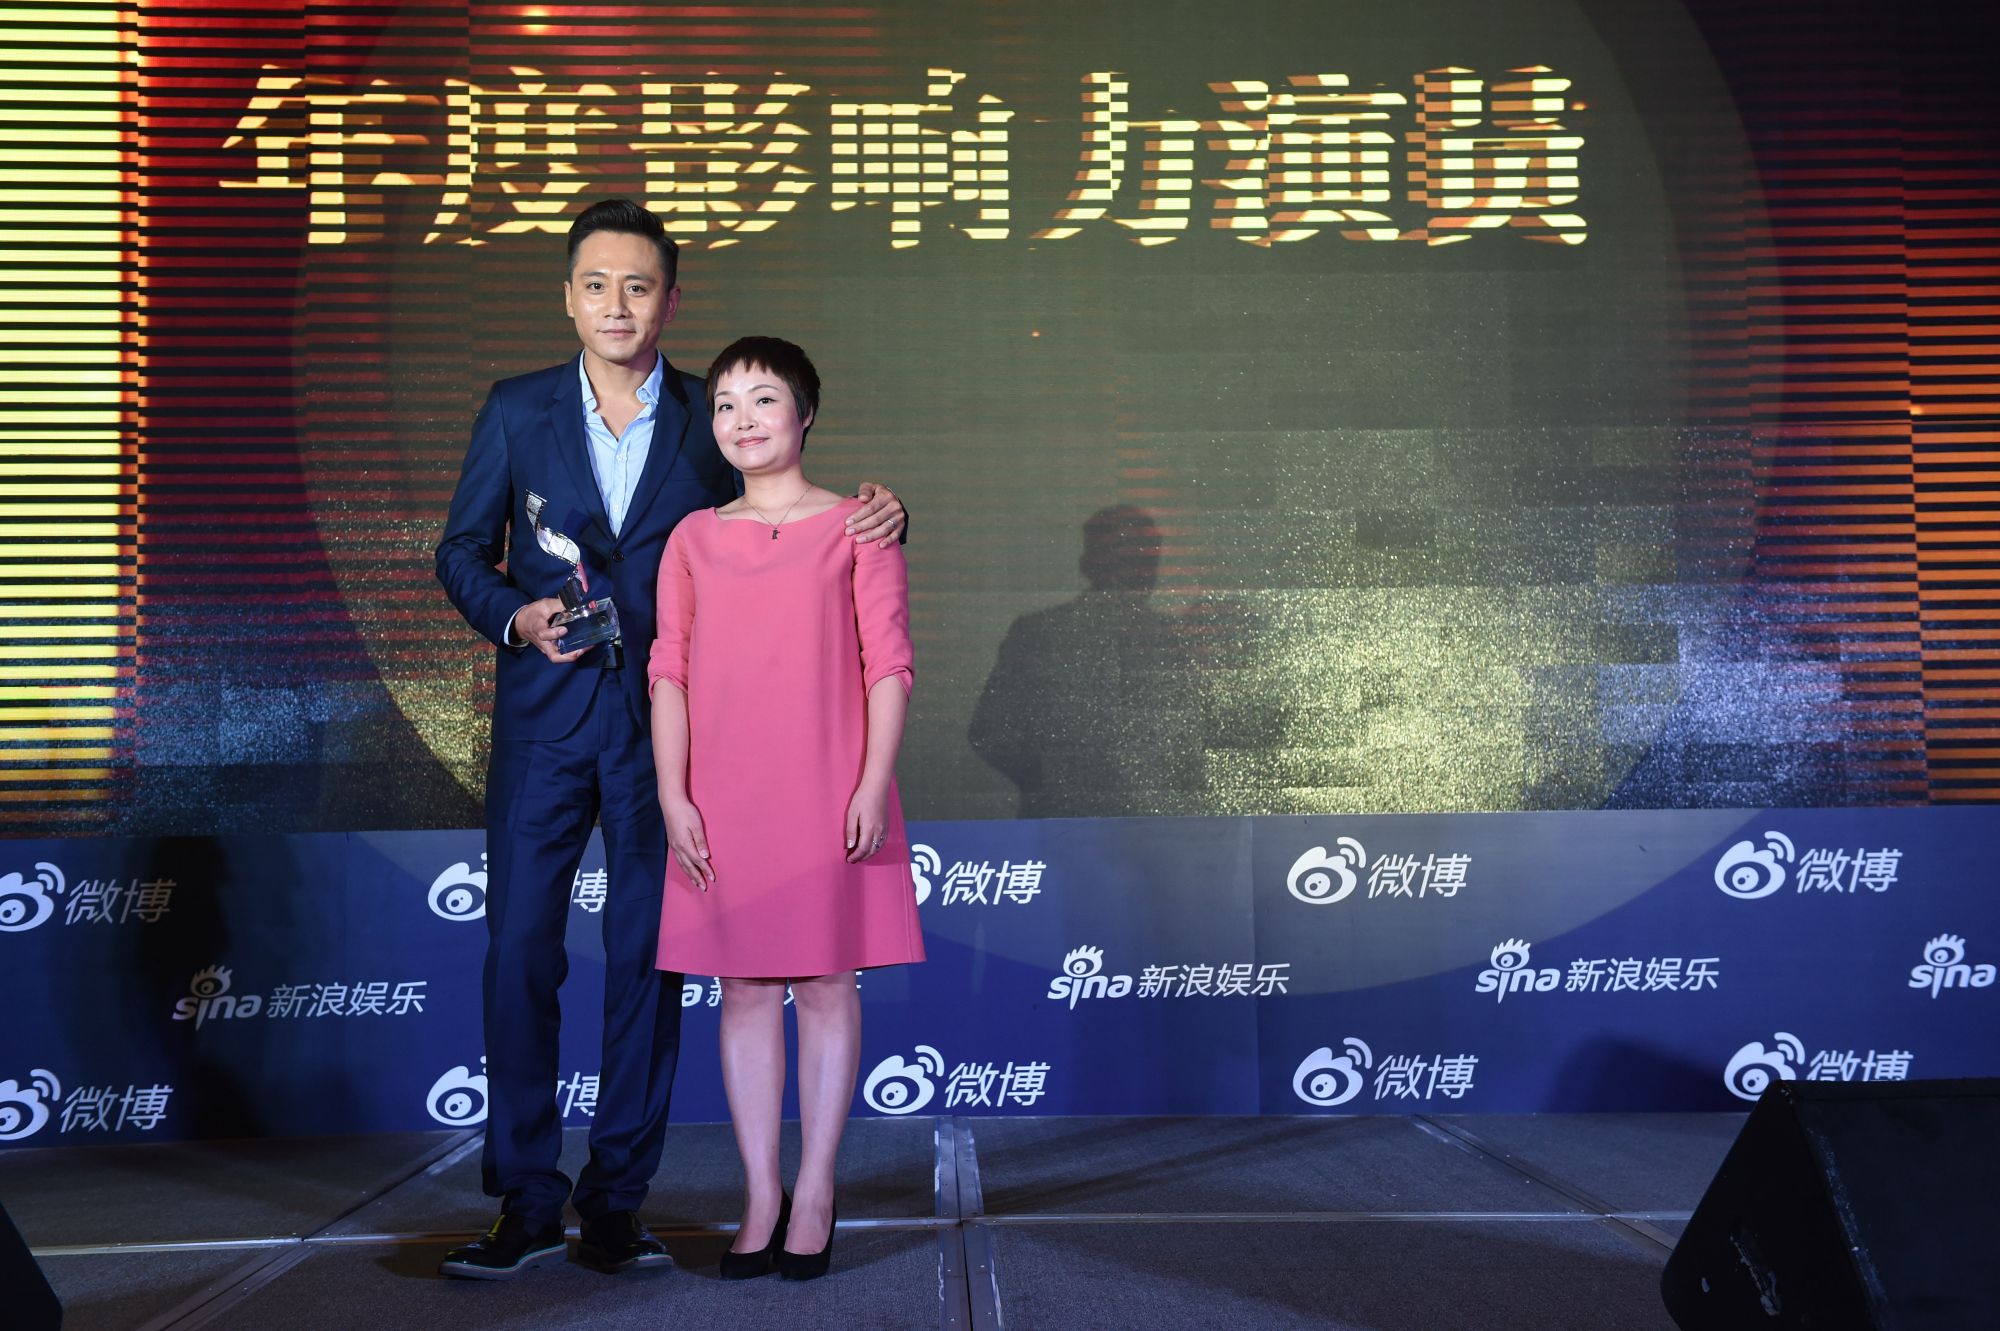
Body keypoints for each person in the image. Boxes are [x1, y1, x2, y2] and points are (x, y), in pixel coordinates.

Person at [433, 202, 906, 1280]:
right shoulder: (514, 407)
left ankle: (616, 1199)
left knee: (649, 964)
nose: (617, 304)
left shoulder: (712, 411)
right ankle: (523, 1197)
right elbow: (460, 548)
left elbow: (787, 515)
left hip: (675, 735)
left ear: (670, 301)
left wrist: (885, 515)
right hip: (545, 722)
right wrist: (514, 614)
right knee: (519, 953)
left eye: (638, 286)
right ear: (568, 297)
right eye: (597, 284)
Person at [649, 336, 925, 1281]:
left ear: (804, 414)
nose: (743, 419)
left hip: (828, 784)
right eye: (725, 404)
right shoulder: (692, 538)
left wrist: (872, 781)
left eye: (763, 399)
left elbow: (888, 661)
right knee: (744, 990)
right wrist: (673, 793)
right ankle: (761, 1193)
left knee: (826, 985)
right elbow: (669, 672)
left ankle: (815, 1191)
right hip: (722, 795)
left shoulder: (859, 526)